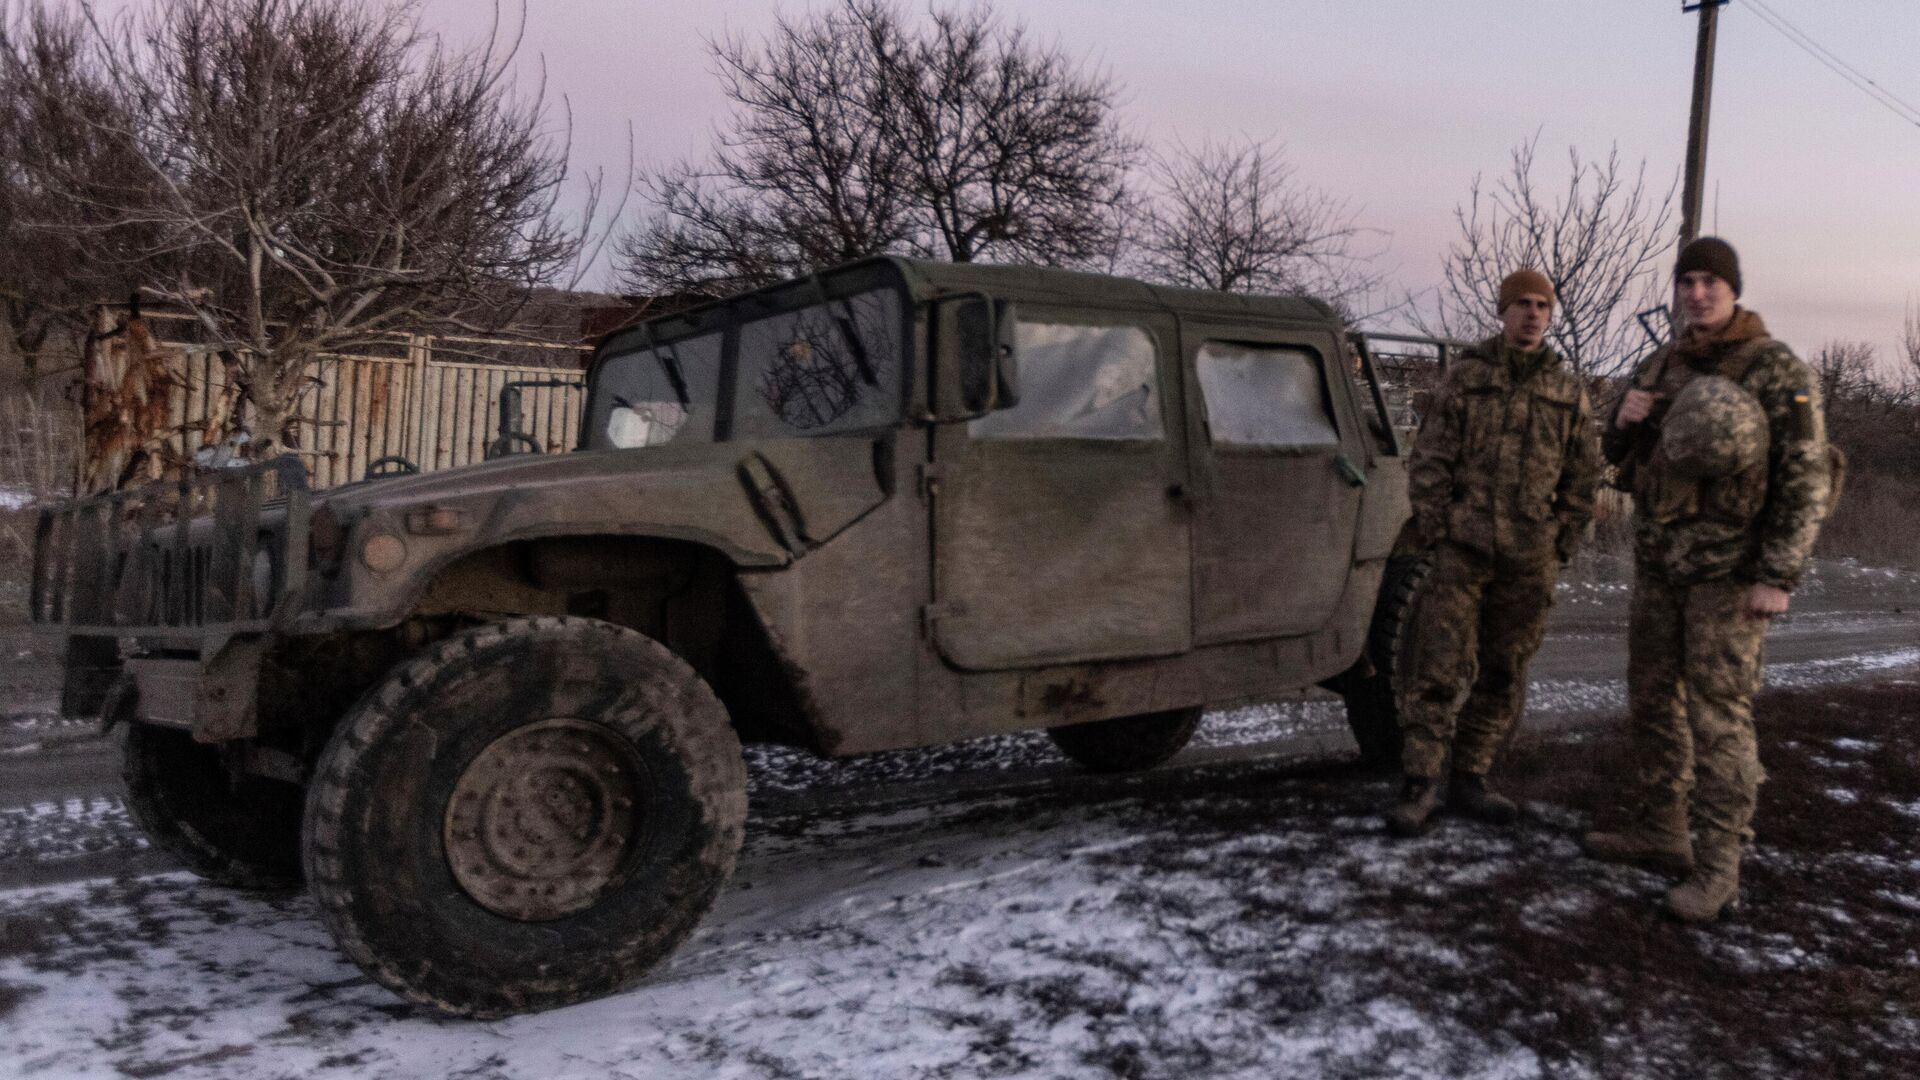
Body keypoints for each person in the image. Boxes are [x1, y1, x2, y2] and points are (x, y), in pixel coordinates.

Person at [1583, 236, 1832, 922]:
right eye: (1687, 280)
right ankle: (1661, 830)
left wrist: (1778, 574)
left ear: (1734, 289)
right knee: (1653, 700)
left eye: (1710, 281)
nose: (1697, 292)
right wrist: (1621, 420)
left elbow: (1806, 477)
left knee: (1719, 717)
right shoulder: (1661, 362)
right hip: (1661, 564)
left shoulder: (1778, 370)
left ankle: (1719, 868)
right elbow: (1617, 458)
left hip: (1730, 574)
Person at [1388, 270, 1601, 836]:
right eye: (1522, 305)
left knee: (1504, 672)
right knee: (1437, 668)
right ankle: (1420, 782)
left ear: (1550, 315)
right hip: (1463, 554)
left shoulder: (1566, 392)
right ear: (1502, 312)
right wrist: (1439, 529)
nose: (1532, 314)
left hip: (1528, 560)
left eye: (1541, 306)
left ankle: (1472, 777)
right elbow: (1429, 460)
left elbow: (1583, 480)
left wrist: (1560, 542)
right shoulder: (1467, 379)